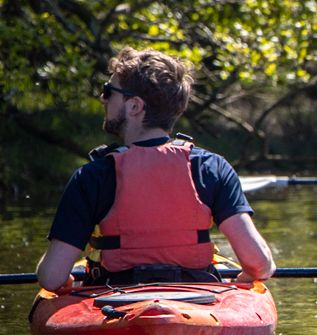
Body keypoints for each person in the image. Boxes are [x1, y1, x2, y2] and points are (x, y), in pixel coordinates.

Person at [36, 47, 275, 292]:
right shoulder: (211, 168)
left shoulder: (92, 176)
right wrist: (244, 279)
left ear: (135, 106)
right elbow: (259, 264)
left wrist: (69, 284)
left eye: (109, 92)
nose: (103, 98)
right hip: (196, 296)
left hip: (114, 299)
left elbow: (52, 278)